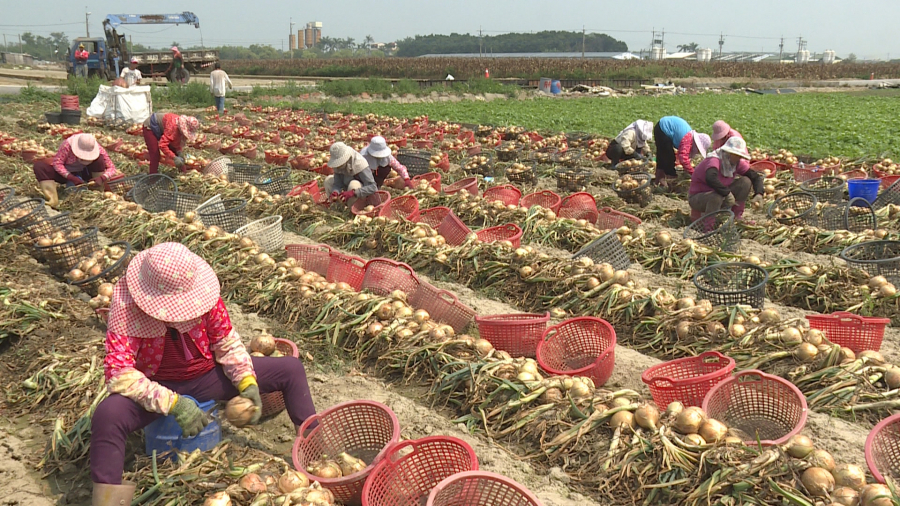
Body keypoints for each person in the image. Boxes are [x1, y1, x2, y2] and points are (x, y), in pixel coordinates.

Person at [88, 242, 317, 505]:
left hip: (207, 376)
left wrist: (247, 381)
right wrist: (173, 403)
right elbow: (119, 372)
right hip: (156, 384)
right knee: (108, 415)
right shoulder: (126, 304)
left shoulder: (203, 294)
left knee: (290, 369)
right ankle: (108, 501)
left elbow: (226, 342)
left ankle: (314, 451)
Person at [688, 137, 764, 223]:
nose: (739, 158)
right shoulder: (714, 160)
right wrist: (727, 193)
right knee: (716, 197)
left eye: (740, 156)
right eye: (736, 155)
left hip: (720, 195)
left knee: (745, 182)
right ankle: (709, 225)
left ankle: (737, 216)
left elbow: (755, 177)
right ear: (729, 153)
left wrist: (759, 193)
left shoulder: (736, 163)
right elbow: (711, 178)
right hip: (699, 198)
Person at [33, 133, 119, 208]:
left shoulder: (98, 149)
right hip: (66, 173)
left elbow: (112, 168)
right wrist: (71, 177)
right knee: (39, 166)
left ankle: (96, 192)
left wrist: (102, 178)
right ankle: (53, 200)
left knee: (99, 160)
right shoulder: (67, 145)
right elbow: (57, 163)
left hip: (85, 172)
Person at [653, 116, 711, 190]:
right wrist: (693, 173)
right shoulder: (688, 139)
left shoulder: (689, 136)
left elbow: (683, 154)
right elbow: (683, 159)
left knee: (662, 157)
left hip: (661, 127)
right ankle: (670, 181)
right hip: (664, 129)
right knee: (669, 158)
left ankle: (658, 180)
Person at [323, 142, 377, 207]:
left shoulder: (359, 164)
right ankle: (337, 206)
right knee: (328, 180)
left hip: (361, 194)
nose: (338, 166)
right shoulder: (338, 166)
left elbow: (372, 187)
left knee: (353, 184)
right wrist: (335, 192)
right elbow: (337, 183)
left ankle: (350, 209)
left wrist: (354, 192)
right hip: (346, 191)